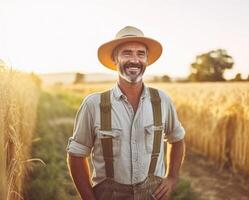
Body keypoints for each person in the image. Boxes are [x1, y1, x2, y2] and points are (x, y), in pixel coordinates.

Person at [66, 26, 185, 200]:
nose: (134, 60)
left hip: (153, 194)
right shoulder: (94, 104)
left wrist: (172, 177)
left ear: (147, 60)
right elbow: (76, 155)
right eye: (127, 53)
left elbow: (177, 139)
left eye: (141, 54)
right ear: (115, 59)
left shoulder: (162, 101)